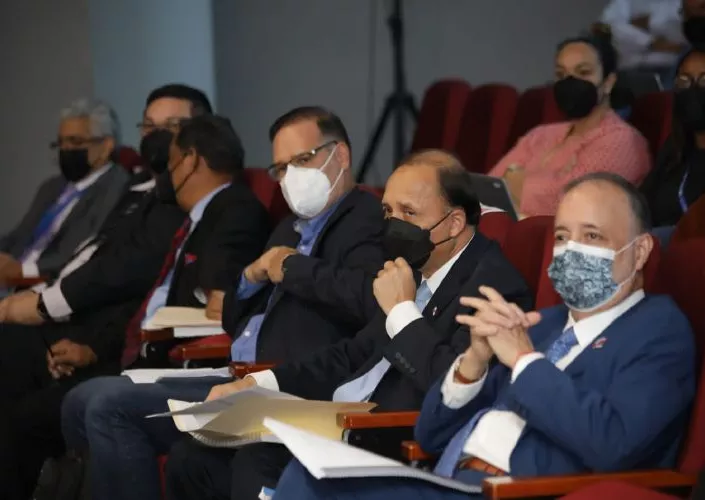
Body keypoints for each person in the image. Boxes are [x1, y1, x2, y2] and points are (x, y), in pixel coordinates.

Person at [272, 172, 696, 500]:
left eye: (592, 236)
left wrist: (525, 361)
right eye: (562, 237)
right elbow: (430, 435)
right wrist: (470, 367)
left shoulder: (658, 331)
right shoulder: (543, 323)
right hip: (452, 479)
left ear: (640, 251)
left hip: (519, 492)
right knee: (304, 475)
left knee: (311, 489)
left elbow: (613, 444)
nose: (571, 250)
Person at [161, 150, 533, 500]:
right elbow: (352, 354)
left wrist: (402, 311)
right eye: (388, 211)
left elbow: (452, 386)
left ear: (454, 223)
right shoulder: (419, 266)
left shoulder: (493, 287)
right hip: (337, 419)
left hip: (391, 439)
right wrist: (257, 384)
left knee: (256, 461)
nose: (395, 225)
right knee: (192, 460)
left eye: (409, 212)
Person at [60, 106, 385, 500]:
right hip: (236, 376)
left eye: (302, 160)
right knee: (80, 400)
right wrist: (249, 279)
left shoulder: (365, 218)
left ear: (341, 155)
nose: (290, 177)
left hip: (286, 386)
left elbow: (363, 296)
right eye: (281, 168)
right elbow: (233, 317)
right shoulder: (288, 227)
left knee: (109, 407)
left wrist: (289, 267)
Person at [0, 83, 212, 326]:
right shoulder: (136, 186)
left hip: (91, 315)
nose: (157, 135)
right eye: (149, 126)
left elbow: (123, 268)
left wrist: (43, 300)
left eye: (171, 125)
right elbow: (96, 248)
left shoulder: (168, 195)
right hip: (57, 297)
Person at [488, 36, 652, 218]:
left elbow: (573, 201)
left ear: (608, 82)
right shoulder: (541, 134)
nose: (570, 82)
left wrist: (516, 182)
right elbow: (488, 188)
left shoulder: (622, 141)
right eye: (561, 74)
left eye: (583, 72)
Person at [0, 98, 129, 285]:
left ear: (106, 146)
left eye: (75, 141)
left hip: (47, 285)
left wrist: (22, 271)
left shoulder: (117, 188)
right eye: (61, 142)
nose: (66, 149)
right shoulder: (52, 187)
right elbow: (18, 236)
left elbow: (81, 253)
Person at [642, 46, 705, 245]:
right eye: (684, 81)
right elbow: (642, 202)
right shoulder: (676, 147)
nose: (693, 89)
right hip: (657, 252)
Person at [600, 0, 687, 93]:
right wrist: (651, 42)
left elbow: (679, 31)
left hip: (672, 69)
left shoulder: (680, 4)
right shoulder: (624, 2)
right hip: (627, 68)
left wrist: (647, 22)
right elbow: (606, 27)